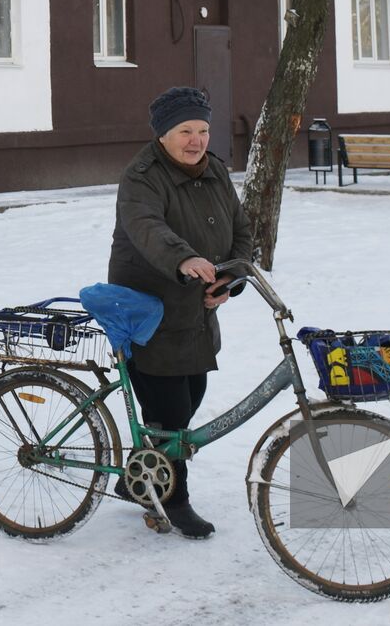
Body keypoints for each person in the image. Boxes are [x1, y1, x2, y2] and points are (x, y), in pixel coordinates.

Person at [107, 86, 253, 539]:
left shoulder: (215, 173)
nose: (196, 140)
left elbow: (240, 230)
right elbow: (147, 227)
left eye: (203, 130)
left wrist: (231, 277)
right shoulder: (142, 177)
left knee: (189, 395)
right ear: (163, 135)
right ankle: (174, 500)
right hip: (149, 308)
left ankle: (142, 477)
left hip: (194, 311)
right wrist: (184, 258)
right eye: (185, 130)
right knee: (170, 412)